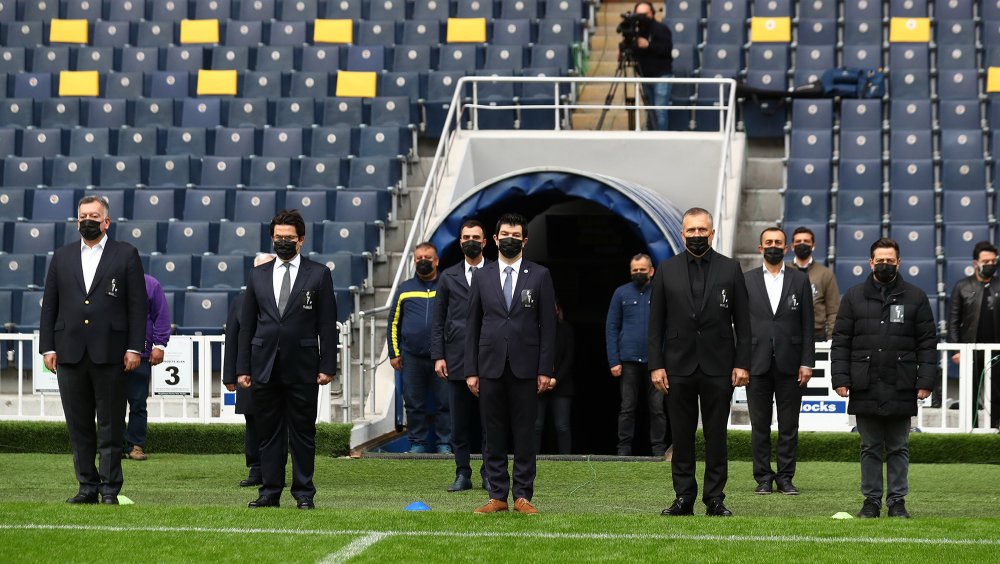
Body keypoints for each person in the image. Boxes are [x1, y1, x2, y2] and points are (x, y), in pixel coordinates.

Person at [40, 195, 147, 505]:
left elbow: (136, 306)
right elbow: (51, 306)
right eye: (83, 215)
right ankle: (86, 486)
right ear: (77, 221)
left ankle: (110, 488)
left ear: (106, 221)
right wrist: (48, 347)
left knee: (112, 426)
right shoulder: (62, 256)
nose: (88, 220)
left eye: (94, 215)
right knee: (79, 426)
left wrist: (133, 347)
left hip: (112, 353)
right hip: (69, 353)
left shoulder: (126, 254)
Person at [647, 207, 751, 517]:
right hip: (677, 367)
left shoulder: (731, 269)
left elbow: (743, 324)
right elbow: (655, 325)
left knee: (716, 436)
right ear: (682, 234)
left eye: (701, 230)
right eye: (691, 231)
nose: (696, 235)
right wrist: (656, 365)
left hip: (719, 367)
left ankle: (715, 499)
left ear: (712, 233)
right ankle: (683, 498)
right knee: (681, 435)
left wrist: (742, 363)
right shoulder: (666, 269)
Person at [236, 210, 339, 509]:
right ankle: (269, 492)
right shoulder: (258, 274)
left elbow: (326, 324)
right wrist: (243, 367)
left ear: (301, 240)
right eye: (278, 237)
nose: (283, 242)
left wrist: (327, 365)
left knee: (303, 433)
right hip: (264, 366)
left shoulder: (319, 274)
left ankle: (304, 493)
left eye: (289, 238)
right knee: (267, 434)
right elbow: (247, 325)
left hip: (303, 366)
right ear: (271, 238)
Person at [832, 238, 936, 519]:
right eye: (880, 260)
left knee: (899, 446)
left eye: (890, 260)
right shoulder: (853, 296)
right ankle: (871, 501)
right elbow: (841, 341)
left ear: (899, 263)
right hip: (864, 383)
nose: (885, 265)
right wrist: (840, 377)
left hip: (901, 383)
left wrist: (925, 380)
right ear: (870, 262)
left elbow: (927, 343)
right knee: (869, 447)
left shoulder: (916, 297)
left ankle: (897, 502)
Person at [465, 212, 556, 515]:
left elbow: (548, 327)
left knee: (524, 433)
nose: (510, 239)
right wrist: (471, 371)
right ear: (494, 239)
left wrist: (545, 369)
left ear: (524, 240)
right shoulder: (482, 276)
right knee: (493, 434)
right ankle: (498, 496)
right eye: (505, 234)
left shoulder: (540, 275)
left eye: (516, 235)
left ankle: (523, 496)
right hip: (489, 366)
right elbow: (472, 326)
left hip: (526, 368)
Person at [744, 227, 815, 496]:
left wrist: (807, 362)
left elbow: (808, 324)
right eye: (768, 242)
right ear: (760, 248)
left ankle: (786, 477)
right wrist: (740, 362)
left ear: (786, 249)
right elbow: (739, 325)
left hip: (791, 363)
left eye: (778, 243)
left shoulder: (799, 280)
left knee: (789, 425)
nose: (773, 246)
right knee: (759, 425)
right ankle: (763, 477)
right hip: (756, 363)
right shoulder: (747, 280)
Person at [432, 220, 490, 492]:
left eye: (475, 237)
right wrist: (438, 355)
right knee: (459, 424)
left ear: (485, 241)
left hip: (490, 358)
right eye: (466, 237)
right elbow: (438, 320)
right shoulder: (448, 276)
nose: (471, 241)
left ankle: (490, 473)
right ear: (460, 241)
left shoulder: (495, 272)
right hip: (455, 359)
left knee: (490, 422)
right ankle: (462, 473)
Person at [389, 242, 450, 454]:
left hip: (442, 357)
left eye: (428, 257)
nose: (423, 261)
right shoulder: (405, 289)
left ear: (436, 261)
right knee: (413, 403)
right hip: (411, 357)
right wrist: (394, 353)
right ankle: (418, 444)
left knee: (445, 403)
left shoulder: (447, 285)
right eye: (419, 258)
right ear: (414, 260)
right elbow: (393, 323)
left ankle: (445, 444)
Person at [606, 253, 668, 457]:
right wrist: (614, 360)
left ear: (652, 271)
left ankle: (658, 449)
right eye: (635, 270)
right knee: (627, 407)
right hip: (628, 361)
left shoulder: (661, 292)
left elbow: (669, 326)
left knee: (657, 408)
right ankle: (623, 449)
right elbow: (612, 327)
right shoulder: (620, 293)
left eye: (642, 269)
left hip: (656, 362)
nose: (639, 273)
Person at [224, 254, 274, 487]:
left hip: (277, 370)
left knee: (277, 422)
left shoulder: (284, 299)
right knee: (252, 422)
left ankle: (274, 469)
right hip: (249, 373)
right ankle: (256, 469)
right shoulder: (240, 301)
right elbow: (232, 339)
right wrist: (229, 375)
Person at [947, 241, 1000, 428]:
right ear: (975, 264)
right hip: (971, 350)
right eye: (986, 261)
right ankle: (971, 430)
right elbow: (953, 321)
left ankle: (996, 430)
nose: (991, 264)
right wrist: (956, 350)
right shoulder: (962, 286)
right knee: (971, 393)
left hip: (997, 351)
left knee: (998, 393)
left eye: (994, 261)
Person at [123, 274, 171, 461]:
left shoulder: (150, 283)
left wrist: (159, 345)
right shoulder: (107, 280)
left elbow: (161, 314)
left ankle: (136, 445)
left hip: (140, 353)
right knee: (109, 403)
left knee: (138, 403)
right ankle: (115, 445)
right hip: (109, 353)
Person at [625, 0, 673, 130]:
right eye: (638, 14)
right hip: (645, 75)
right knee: (649, 111)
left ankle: (661, 140)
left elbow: (667, 50)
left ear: (652, 13)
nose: (642, 18)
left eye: (644, 14)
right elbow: (633, 51)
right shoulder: (637, 31)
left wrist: (649, 45)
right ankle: (650, 137)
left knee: (659, 111)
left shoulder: (661, 29)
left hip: (661, 75)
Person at [787, 226, 841, 341]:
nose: (802, 244)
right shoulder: (783, 272)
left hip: (817, 335)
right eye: (798, 241)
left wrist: (832, 338)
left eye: (806, 241)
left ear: (813, 246)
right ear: (792, 246)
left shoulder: (826, 274)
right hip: (788, 334)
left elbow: (833, 311)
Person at [535, 302, 575, 455]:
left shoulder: (566, 329)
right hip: (537, 384)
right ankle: (533, 460)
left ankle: (566, 460)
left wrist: (555, 379)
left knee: (562, 426)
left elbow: (569, 357)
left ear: (558, 309)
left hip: (562, 384)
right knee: (536, 426)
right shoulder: (533, 330)